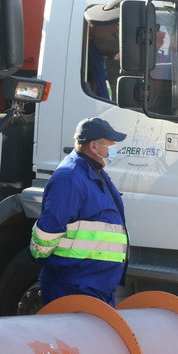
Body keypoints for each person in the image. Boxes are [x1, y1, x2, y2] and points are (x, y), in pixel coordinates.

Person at [29, 118, 129, 306]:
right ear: (94, 146)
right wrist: (41, 257)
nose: (114, 148)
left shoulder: (94, 172)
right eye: (110, 144)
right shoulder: (70, 176)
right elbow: (48, 230)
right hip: (74, 284)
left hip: (95, 284)